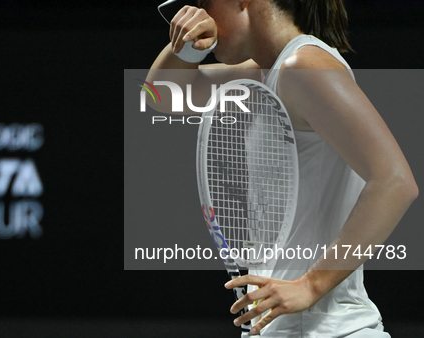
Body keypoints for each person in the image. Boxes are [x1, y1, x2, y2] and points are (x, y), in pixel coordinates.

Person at [145, 0, 418, 336]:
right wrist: (186, 48)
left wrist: (311, 286)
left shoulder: (303, 65)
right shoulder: (264, 72)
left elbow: (396, 182)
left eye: (204, 4)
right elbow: (159, 97)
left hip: (328, 331)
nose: (197, 16)